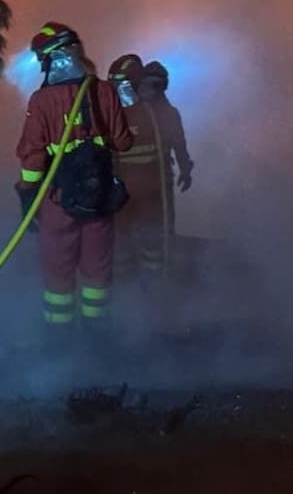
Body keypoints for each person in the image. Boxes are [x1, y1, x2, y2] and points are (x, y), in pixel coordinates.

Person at [15, 23, 133, 336]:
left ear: (50, 58)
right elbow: (123, 142)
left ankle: (59, 339)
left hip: (58, 200)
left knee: (58, 271)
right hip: (100, 198)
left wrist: (27, 194)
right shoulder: (104, 91)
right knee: (97, 269)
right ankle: (96, 335)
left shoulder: (41, 101)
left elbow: (32, 158)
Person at [107, 54, 166, 280]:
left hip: (146, 190)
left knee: (149, 237)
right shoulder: (112, 114)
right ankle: (127, 281)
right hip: (123, 191)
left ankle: (151, 282)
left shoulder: (153, 113)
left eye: (121, 85)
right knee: (121, 238)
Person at [139, 61, 193, 245]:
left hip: (157, 179)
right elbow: (180, 146)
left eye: (156, 85)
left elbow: (179, 144)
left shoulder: (167, 113)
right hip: (150, 181)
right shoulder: (165, 113)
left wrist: (185, 170)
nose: (152, 90)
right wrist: (185, 170)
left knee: (159, 226)